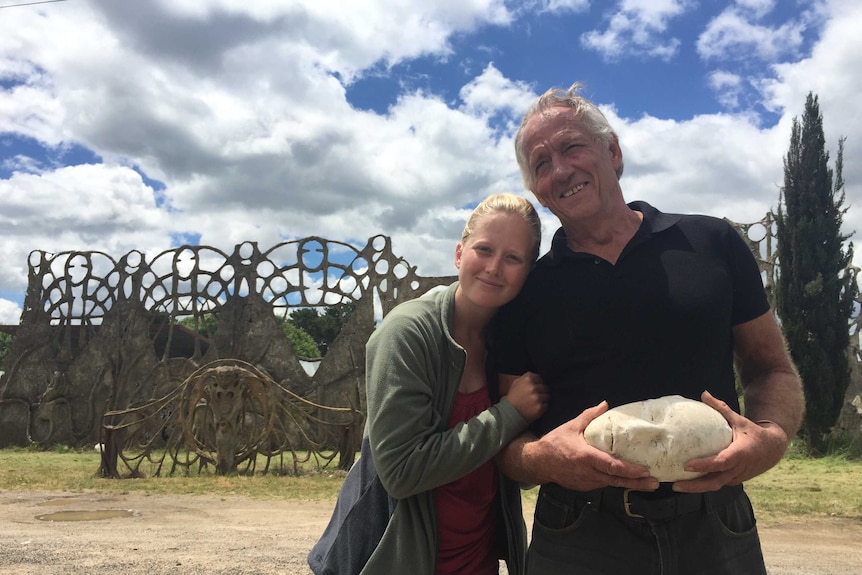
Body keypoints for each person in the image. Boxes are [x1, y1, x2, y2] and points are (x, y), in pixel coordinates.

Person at [492, 83, 805, 575]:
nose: (560, 169)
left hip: (715, 523)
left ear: (612, 151)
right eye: (541, 163)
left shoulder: (711, 242)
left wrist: (771, 436)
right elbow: (507, 438)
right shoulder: (525, 290)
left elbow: (770, 367)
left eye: (572, 146)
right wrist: (540, 461)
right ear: (537, 190)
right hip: (578, 532)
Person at [309, 193, 549, 575]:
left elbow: (509, 476)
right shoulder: (407, 333)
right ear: (459, 253)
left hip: (478, 561)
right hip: (400, 562)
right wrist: (510, 414)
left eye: (513, 257)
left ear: (528, 271)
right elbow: (402, 472)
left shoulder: (508, 346)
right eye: (484, 249)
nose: (494, 267)